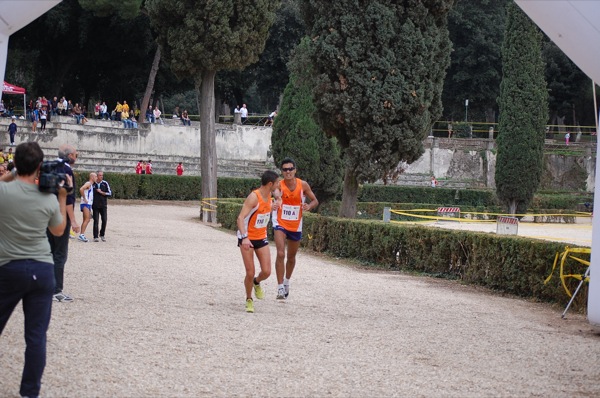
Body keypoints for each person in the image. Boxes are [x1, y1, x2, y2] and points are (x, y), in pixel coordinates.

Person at [0, 142, 69, 398]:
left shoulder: (3, 192)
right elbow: (59, 230)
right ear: (40, 166)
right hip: (42, 269)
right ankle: (29, 392)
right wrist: (62, 197)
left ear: (15, 164)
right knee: (36, 336)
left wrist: (13, 173)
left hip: (9, 267)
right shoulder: (49, 198)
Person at [272, 158, 319, 299]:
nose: (288, 172)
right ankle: (280, 287)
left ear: (295, 170)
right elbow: (276, 193)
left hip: (295, 224)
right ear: (282, 171)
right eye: (285, 169)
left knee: (291, 257)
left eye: (290, 169)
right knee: (281, 253)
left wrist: (309, 206)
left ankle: (286, 282)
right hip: (280, 222)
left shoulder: (303, 185)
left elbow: (315, 200)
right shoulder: (279, 185)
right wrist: (277, 199)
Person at [237, 170, 280, 313]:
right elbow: (240, 218)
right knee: (250, 272)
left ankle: (257, 283)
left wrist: (273, 207)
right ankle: (249, 299)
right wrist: (244, 237)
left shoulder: (270, 195)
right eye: (277, 183)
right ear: (270, 184)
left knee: (267, 271)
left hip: (261, 237)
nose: (278, 185)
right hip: (247, 238)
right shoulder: (253, 197)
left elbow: (263, 214)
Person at [48, 144, 80, 302]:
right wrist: (73, 220)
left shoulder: (51, 166)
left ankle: (47, 287)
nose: (76, 157)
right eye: (75, 154)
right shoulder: (66, 170)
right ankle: (56, 290)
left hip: (48, 215)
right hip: (61, 215)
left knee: (50, 252)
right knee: (60, 254)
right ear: (69, 156)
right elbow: (68, 197)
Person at [92, 171, 112, 242]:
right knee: (96, 221)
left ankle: (102, 234)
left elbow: (110, 193)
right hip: (95, 205)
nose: (101, 176)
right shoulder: (93, 184)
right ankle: (95, 236)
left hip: (103, 205)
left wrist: (102, 192)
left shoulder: (105, 183)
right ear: (97, 176)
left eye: (102, 175)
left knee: (104, 220)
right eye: (100, 175)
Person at [78, 172, 96, 242]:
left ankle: (82, 234)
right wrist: (84, 198)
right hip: (85, 204)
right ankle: (81, 235)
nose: (96, 178)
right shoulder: (88, 184)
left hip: (88, 204)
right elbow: (81, 189)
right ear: (92, 177)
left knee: (86, 219)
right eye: (95, 176)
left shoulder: (91, 185)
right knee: (87, 219)